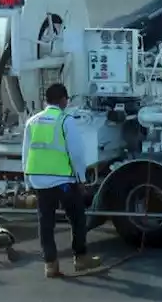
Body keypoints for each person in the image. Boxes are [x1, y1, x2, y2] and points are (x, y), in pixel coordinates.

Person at [22, 83, 102, 277]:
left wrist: (27, 183)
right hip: (63, 180)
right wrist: (81, 179)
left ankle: (50, 265)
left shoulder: (32, 121)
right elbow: (76, 153)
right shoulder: (66, 120)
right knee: (77, 218)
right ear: (63, 100)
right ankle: (81, 258)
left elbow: (25, 154)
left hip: (39, 181)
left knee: (46, 223)